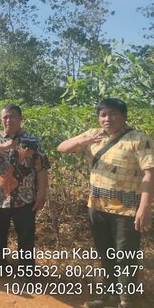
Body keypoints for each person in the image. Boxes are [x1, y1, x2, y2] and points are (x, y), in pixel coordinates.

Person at [57, 98, 153, 308]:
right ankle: (109, 296)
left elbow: (149, 174)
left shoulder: (139, 139)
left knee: (125, 256)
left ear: (124, 116)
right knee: (106, 253)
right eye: (103, 115)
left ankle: (127, 300)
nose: (107, 118)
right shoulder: (93, 135)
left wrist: (145, 207)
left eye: (113, 114)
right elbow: (62, 148)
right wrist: (83, 142)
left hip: (127, 210)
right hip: (97, 207)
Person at [0, 104, 50, 274]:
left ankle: (26, 273)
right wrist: (4, 146)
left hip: (24, 199)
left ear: (20, 118)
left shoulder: (32, 141)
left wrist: (42, 194)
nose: (9, 120)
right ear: (1, 120)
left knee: (25, 238)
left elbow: (41, 169)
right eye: (5, 117)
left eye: (13, 116)